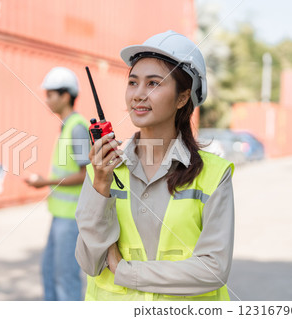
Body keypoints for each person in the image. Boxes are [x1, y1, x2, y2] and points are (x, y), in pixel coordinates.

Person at [75, 30, 235, 301]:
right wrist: (101, 186)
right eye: (133, 82)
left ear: (182, 98)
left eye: (153, 84)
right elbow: (89, 262)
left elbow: (213, 270)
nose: (138, 94)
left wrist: (125, 271)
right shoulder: (102, 169)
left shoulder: (214, 175)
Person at [24, 67, 90, 300]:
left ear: (65, 96)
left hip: (71, 218)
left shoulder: (78, 127)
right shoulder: (67, 126)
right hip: (60, 215)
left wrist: (45, 182)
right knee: (49, 273)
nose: (46, 99)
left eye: (50, 94)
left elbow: (86, 174)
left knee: (65, 279)